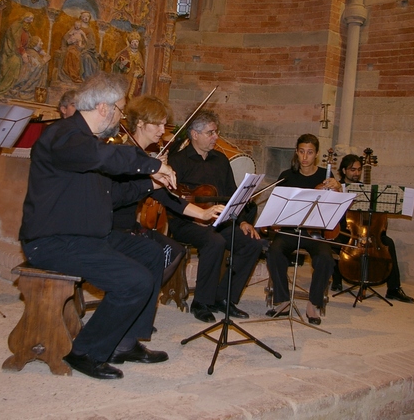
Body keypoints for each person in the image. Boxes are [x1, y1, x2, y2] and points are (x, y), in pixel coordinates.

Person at [18, 72, 176, 380]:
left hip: (89, 236)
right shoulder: (63, 135)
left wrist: (149, 183)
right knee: (135, 281)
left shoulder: (90, 144)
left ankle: (125, 343)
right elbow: (100, 157)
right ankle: (86, 351)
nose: (120, 116)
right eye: (120, 109)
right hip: (53, 241)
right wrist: (151, 163)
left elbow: (113, 195)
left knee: (151, 253)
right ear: (103, 107)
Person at [112, 95, 224, 286]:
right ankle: (138, 290)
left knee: (174, 251)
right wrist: (152, 181)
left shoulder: (145, 158)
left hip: (130, 227)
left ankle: (144, 291)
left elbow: (169, 198)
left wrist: (203, 213)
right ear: (140, 123)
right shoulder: (124, 155)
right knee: (160, 252)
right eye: (157, 125)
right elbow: (116, 196)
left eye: (164, 125)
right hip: (112, 229)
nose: (163, 131)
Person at [167, 110, 263, 323]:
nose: (215, 137)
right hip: (186, 221)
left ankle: (225, 298)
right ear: (194, 134)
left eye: (216, 132)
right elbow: (171, 199)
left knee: (252, 243)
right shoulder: (178, 161)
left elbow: (232, 193)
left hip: (219, 220)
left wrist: (244, 221)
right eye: (210, 132)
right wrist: (195, 215)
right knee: (215, 241)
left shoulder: (220, 160)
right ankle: (201, 302)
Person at [265, 134, 341, 325]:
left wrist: (338, 187)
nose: (305, 157)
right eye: (301, 152)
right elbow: (278, 207)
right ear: (296, 152)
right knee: (274, 252)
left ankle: (313, 303)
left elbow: (335, 206)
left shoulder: (326, 176)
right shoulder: (287, 176)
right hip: (290, 230)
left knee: (325, 259)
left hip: (315, 231)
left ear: (316, 154)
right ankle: (282, 300)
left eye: (309, 152)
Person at [337, 154, 414, 303]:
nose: (357, 173)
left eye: (359, 170)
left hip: (367, 233)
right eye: (353, 170)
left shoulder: (367, 191)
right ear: (344, 170)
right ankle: (337, 279)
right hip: (346, 230)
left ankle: (394, 289)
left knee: (388, 243)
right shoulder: (339, 188)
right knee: (337, 241)